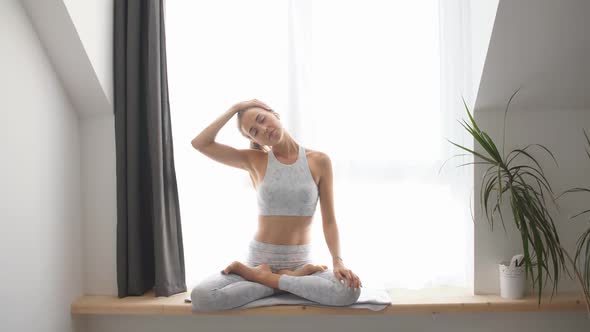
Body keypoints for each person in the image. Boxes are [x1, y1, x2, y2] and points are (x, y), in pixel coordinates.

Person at [189, 99, 362, 312]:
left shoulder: (319, 160)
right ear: (253, 139)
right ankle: (283, 281)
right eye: (254, 131)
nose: (263, 129)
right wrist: (235, 108)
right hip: (258, 259)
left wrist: (338, 261)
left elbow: (329, 220)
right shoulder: (254, 160)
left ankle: (263, 279)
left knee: (348, 291)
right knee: (203, 297)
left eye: (262, 119)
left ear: (274, 114)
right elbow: (200, 143)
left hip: (300, 262)